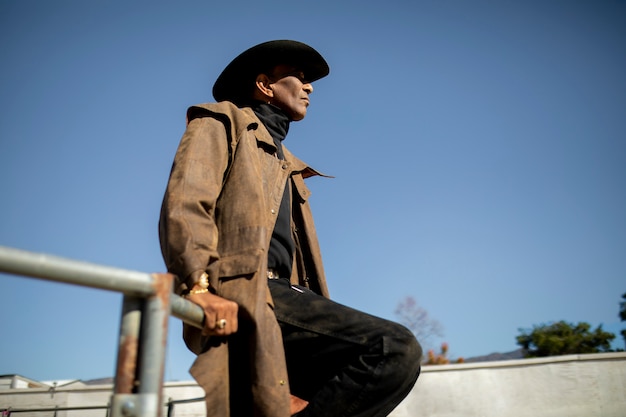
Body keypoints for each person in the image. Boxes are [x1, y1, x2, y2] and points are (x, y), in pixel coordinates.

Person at [159, 40, 422, 417]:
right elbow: (185, 204)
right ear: (265, 85)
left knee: (363, 378)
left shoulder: (290, 165)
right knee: (392, 347)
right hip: (244, 291)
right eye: (299, 76)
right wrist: (198, 286)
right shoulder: (221, 122)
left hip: (285, 295)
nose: (310, 86)